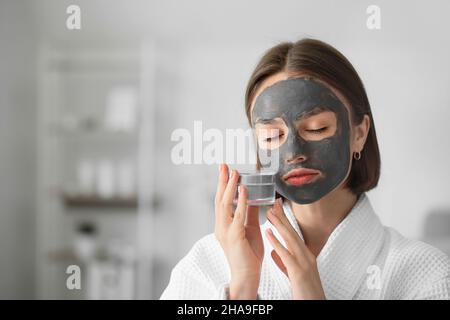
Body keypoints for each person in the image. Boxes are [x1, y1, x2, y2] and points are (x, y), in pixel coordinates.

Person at [160, 38, 450, 300]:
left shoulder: (425, 276)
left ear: (359, 133)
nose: (294, 154)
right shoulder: (207, 265)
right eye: (272, 136)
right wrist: (243, 291)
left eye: (316, 128)